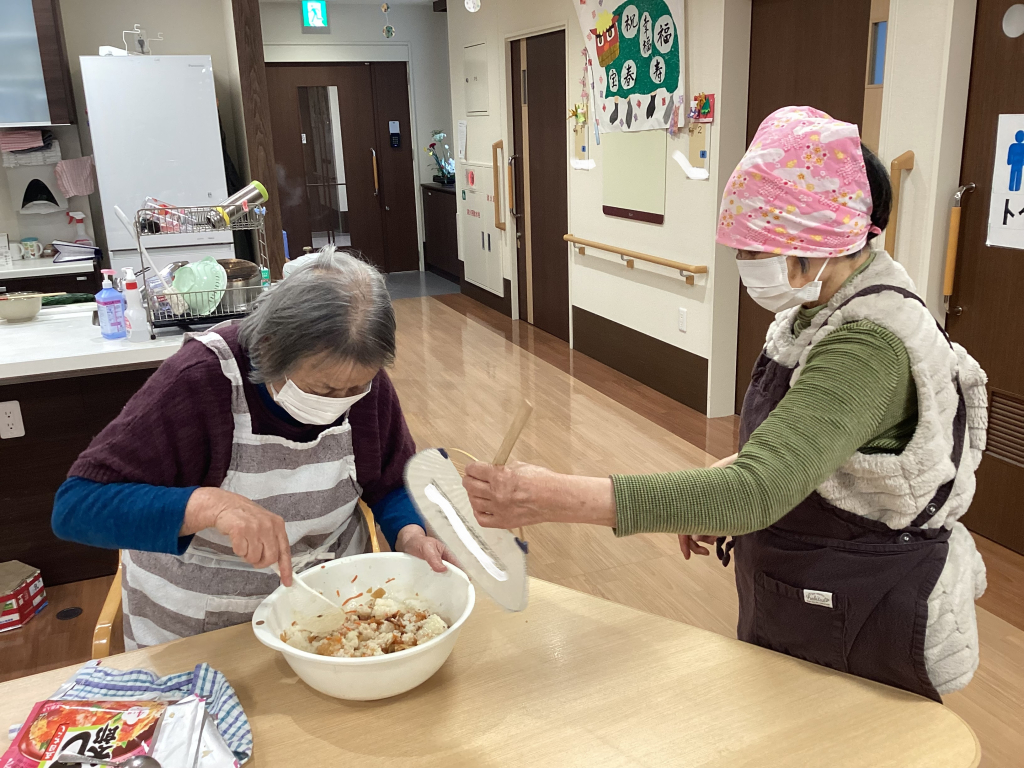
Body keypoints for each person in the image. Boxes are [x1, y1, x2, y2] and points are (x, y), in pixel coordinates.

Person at [462, 107, 989, 701]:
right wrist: (709, 490)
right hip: (809, 588)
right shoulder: (816, 310)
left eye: (759, 246)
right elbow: (805, 451)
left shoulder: (868, 345)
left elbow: (758, 490)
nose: (747, 263)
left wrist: (549, 496)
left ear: (821, 237)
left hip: (861, 611)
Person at [53, 248, 451, 649]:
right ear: (268, 347)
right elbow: (77, 506)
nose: (341, 401)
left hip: (335, 617)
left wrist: (409, 534)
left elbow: (391, 481)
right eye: (324, 390)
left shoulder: (361, 381)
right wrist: (209, 507)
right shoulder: (199, 381)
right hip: (205, 634)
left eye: (355, 388)